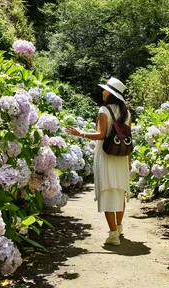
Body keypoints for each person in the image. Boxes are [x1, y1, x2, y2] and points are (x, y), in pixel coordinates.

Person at [66, 77, 131, 246]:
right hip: (122, 157)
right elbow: (128, 138)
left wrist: (80, 133)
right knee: (119, 191)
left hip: (107, 155)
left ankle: (113, 235)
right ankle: (118, 227)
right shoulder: (127, 113)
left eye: (105, 90)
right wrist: (129, 161)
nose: (102, 92)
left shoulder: (104, 110)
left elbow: (101, 135)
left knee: (108, 192)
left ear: (111, 94)